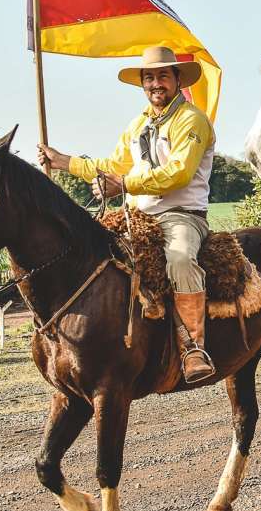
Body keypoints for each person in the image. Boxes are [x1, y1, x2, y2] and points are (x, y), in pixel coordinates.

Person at [38, 47, 218, 382]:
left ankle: (193, 347)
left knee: (179, 260)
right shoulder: (137, 125)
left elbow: (178, 172)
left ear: (178, 79)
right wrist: (65, 162)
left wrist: (122, 185)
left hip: (181, 215)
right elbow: (111, 166)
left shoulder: (192, 120)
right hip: (138, 216)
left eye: (163, 75)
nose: (155, 83)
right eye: (149, 77)